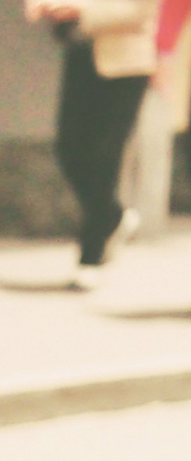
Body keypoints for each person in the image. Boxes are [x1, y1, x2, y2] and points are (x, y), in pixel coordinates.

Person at [26, 2, 160, 286]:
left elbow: (139, 11)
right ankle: (113, 216)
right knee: (68, 148)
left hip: (127, 64)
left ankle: (91, 256)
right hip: (83, 55)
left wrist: (79, 12)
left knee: (105, 156)